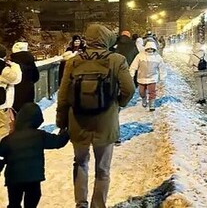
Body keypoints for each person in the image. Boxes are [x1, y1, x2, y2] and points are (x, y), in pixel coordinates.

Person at [56, 24, 135, 208]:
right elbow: (129, 89)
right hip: (105, 123)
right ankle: (98, 205)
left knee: (80, 163)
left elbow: (63, 95)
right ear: (106, 39)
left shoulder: (73, 61)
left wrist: (61, 122)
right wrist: (118, 104)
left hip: (78, 121)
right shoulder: (117, 60)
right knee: (103, 169)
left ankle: (81, 204)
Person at [0, 103, 69, 208]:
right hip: (33, 178)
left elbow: (1, 154)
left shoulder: (8, 140)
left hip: (14, 179)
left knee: (14, 203)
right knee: (31, 203)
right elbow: (58, 142)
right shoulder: (40, 136)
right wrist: (66, 131)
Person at [130, 40, 167, 111]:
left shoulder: (157, 57)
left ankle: (151, 105)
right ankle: (144, 99)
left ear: (154, 49)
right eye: (148, 48)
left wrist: (162, 77)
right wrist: (131, 74)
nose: (150, 50)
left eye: (151, 48)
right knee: (141, 92)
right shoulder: (140, 56)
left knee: (152, 91)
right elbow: (133, 66)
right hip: (141, 78)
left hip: (152, 78)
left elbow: (162, 68)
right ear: (146, 48)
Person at [10, 42, 39, 113]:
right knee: (27, 114)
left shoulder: (12, 63)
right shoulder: (30, 61)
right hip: (29, 92)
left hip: (15, 93)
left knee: (16, 115)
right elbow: (36, 77)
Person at [0, 46, 22, 141]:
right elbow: (16, 78)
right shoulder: (2, 68)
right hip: (1, 104)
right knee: (3, 128)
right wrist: (15, 66)